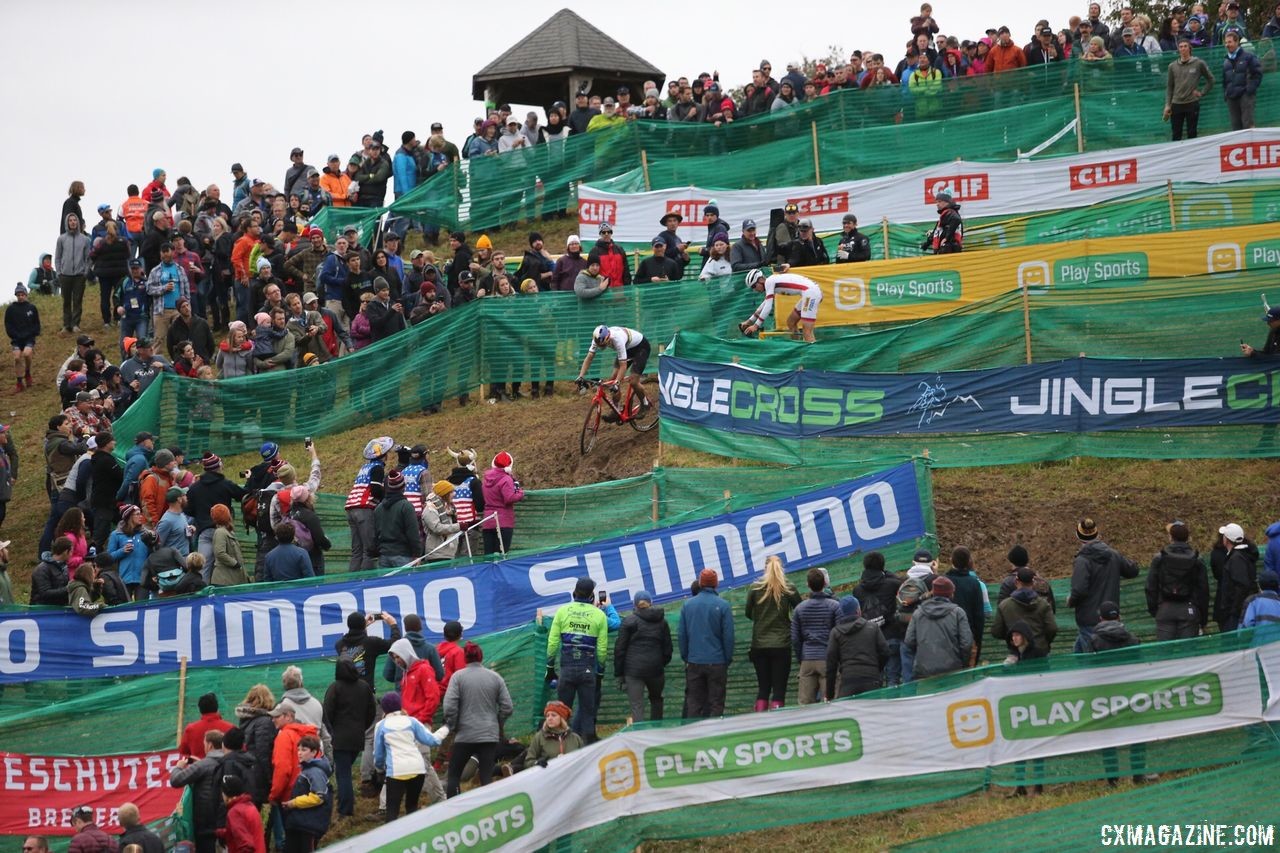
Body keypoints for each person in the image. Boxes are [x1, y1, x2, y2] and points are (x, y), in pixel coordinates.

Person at [442, 641, 514, 797]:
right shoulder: (495, 677)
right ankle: (487, 811)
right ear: (481, 657)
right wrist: (497, 722)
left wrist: (454, 725)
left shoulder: (458, 677)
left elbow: (449, 707)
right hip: (489, 734)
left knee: (454, 775)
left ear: (465, 658)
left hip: (465, 734)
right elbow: (507, 707)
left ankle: (454, 810)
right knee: (486, 776)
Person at [546, 577, 609, 739]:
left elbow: (552, 643)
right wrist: (600, 672)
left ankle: (563, 753)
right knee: (588, 714)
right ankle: (587, 753)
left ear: (574, 592)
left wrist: (550, 668)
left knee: (562, 714)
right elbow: (602, 649)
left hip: (566, 668)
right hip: (587, 669)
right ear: (591, 597)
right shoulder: (599, 615)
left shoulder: (562, 611)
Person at [387, 639, 447, 805]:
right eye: (394, 658)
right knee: (416, 764)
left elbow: (433, 697)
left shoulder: (423, 670)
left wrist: (421, 719)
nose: (396, 661)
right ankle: (426, 799)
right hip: (410, 724)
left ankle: (441, 800)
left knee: (423, 764)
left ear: (406, 653)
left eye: (397, 656)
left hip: (418, 724)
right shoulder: (407, 673)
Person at [373, 691, 448, 822]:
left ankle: (392, 839)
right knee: (412, 807)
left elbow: (378, 755)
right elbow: (433, 740)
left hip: (396, 772)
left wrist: (380, 768)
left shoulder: (381, 726)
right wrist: (447, 727)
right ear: (400, 705)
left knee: (392, 811)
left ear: (384, 709)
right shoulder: (412, 721)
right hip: (417, 769)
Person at [1068, 517, 1139, 652]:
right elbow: (1133, 570)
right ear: (1097, 534)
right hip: (1111, 616)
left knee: (1089, 663)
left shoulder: (1082, 560)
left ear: (1078, 536)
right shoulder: (1113, 554)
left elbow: (1079, 589)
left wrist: (1071, 600)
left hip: (1088, 619)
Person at [321, 654, 375, 819]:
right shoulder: (364, 687)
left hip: (340, 738)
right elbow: (371, 712)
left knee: (343, 774)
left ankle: (345, 809)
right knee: (346, 771)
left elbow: (327, 713)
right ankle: (346, 801)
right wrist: (361, 727)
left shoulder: (335, 688)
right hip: (357, 737)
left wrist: (331, 732)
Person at [679, 568, 735, 718]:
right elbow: (728, 637)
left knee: (694, 703)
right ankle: (714, 736)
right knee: (716, 703)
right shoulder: (723, 605)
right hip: (717, 662)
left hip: (694, 661)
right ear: (716, 584)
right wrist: (726, 659)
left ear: (700, 583)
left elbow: (682, 636)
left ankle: (694, 736)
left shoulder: (687, 605)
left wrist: (687, 657)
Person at [614, 589, 673, 721]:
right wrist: (660, 663)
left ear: (634, 605)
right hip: (656, 669)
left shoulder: (629, 621)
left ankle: (639, 735)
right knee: (657, 700)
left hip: (633, 670)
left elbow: (620, 649)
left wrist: (619, 674)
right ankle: (657, 731)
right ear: (651, 603)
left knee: (637, 705)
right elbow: (668, 649)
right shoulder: (662, 622)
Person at [1146, 520, 1210, 640]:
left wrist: (1155, 610)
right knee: (1188, 653)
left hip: (1164, 608)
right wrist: (1203, 617)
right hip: (1189, 609)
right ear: (1188, 538)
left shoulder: (1159, 558)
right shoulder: (1197, 560)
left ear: (1170, 537)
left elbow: (1150, 587)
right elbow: (1203, 590)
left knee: (1165, 654)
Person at [850, 551, 906, 686]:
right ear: (882, 565)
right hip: (892, 635)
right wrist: (886, 573)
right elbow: (901, 583)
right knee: (893, 678)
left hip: (871, 640)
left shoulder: (857, 591)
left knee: (875, 681)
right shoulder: (892, 584)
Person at [168, 730, 227, 853]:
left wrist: (179, 767)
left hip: (204, 821)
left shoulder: (203, 765)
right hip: (225, 818)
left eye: (204, 744)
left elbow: (176, 780)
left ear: (210, 745)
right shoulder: (229, 762)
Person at [904, 576, 973, 679]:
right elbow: (966, 643)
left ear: (933, 592)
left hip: (924, 671)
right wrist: (963, 663)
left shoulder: (918, 613)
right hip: (953, 671)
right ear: (950, 593)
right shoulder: (958, 613)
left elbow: (909, 641)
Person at [792, 568, 841, 704]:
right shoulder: (835, 606)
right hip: (827, 659)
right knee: (831, 703)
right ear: (825, 583)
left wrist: (801, 658)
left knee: (805, 705)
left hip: (807, 659)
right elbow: (839, 634)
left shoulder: (799, 609)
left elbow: (795, 639)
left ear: (808, 585)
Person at [825, 595, 889, 698]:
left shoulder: (836, 633)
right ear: (858, 610)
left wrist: (829, 694)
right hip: (871, 680)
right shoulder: (872, 627)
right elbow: (885, 652)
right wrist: (876, 668)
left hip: (848, 682)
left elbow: (831, 664)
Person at [345, 435, 392, 571]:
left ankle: (352, 581)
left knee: (357, 550)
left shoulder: (364, 467)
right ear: (384, 455)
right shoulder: (377, 468)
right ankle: (367, 581)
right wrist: (386, 499)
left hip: (351, 507)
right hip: (364, 508)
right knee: (369, 550)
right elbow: (376, 489)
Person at [740, 269, 823, 343]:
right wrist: (749, 321)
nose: (754, 290)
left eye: (754, 286)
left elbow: (768, 307)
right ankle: (798, 348)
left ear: (761, 280)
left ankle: (813, 357)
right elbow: (763, 306)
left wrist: (756, 325)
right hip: (810, 292)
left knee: (807, 332)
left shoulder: (769, 282)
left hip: (811, 293)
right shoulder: (771, 282)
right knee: (791, 322)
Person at [281, 735, 332, 853]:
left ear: (314, 752)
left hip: (309, 826)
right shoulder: (306, 770)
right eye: (298, 750)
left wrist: (293, 803)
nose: (299, 753)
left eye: (304, 750)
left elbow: (319, 796)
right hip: (299, 823)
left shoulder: (315, 772)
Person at [991, 567, 1059, 656]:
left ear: (1016, 582)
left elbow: (997, 631)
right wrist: (1043, 641)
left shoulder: (1004, 605)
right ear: (1033, 583)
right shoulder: (1043, 604)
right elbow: (1052, 628)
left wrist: (1012, 638)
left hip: (1017, 651)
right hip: (1040, 650)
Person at [1164, 36, 1214, 140]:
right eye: (1181, 47)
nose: (1183, 49)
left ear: (1190, 48)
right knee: (1176, 134)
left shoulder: (1199, 63)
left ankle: (1193, 156)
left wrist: (1202, 93)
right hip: (1176, 104)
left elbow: (1211, 80)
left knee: (1192, 133)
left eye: (1185, 46)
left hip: (1192, 103)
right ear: (1178, 49)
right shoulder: (1172, 66)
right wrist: (1167, 105)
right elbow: (1169, 87)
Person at [1214, 522, 1259, 631]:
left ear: (1226, 539)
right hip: (1239, 611)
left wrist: (1233, 610)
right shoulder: (1241, 555)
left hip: (1235, 614)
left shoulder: (1236, 558)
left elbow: (1242, 585)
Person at [373, 470, 422, 567]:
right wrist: (417, 553)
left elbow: (375, 533)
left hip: (383, 555)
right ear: (403, 487)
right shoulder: (406, 506)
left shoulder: (378, 508)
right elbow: (413, 532)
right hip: (403, 555)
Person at [946, 547, 987, 663]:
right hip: (969, 636)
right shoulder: (974, 583)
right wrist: (977, 641)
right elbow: (979, 615)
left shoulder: (944, 581)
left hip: (947, 636)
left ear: (951, 560)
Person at [480, 451, 524, 555]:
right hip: (503, 522)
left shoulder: (486, 478)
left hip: (488, 521)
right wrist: (521, 493)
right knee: (501, 555)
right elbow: (509, 498)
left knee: (489, 556)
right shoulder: (506, 479)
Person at [57, 213, 93, 333]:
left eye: (74, 220)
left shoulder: (85, 240)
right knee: (66, 301)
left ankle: (75, 324)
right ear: (67, 223)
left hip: (79, 275)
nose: (72, 222)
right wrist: (59, 272)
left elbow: (89, 258)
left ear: (78, 223)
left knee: (77, 300)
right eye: (70, 220)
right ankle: (66, 325)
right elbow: (58, 257)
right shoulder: (61, 239)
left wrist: (85, 272)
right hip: (65, 275)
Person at [1221, 31, 1262, 131]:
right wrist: (1226, 93)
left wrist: (1249, 90)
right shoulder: (1225, 61)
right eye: (1226, 42)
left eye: (1230, 42)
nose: (1227, 45)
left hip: (1245, 96)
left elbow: (1257, 74)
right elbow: (1224, 80)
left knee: (1248, 126)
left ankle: (1251, 146)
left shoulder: (1249, 57)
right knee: (1236, 128)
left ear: (1237, 42)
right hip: (1231, 97)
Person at [523, 700, 583, 767]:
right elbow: (528, 761)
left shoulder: (575, 738)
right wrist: (537, 763)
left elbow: (584, 759)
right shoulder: (539, 737)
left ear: (562, 718)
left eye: (553, 715)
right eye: (547, 716)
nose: (549, 718)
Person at [6, 282, 40, 392]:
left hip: (29, 338)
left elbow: (36, 323)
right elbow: (8, 324)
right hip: (16, 338)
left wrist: (34, 333)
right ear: (16, 295)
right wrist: (13, 334)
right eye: (18, 295)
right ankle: (19, 381)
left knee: (26, 354)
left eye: (22, 294)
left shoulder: (31, 307)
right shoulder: (11, 309)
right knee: (16, 357)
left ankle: (27, 372)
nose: (20, 297)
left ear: (26, 295)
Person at [217, 776, 265, 853]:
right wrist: (217, 832)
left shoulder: (235, 812)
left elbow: (246, 845)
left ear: (228, 795)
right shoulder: (250, 806)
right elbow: (239, 831)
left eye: (223, 793)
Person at [180, 692, 235, 758]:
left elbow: (183, 752)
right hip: (225, 767)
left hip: (198, 766)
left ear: (200, 709)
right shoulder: (231, 728)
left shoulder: (190, 729)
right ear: (217, 707)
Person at [921, 190, 963, 254]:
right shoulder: (944, 215)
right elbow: (936, 232)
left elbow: (956, 219)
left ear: (947, 202)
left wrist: (946, 238)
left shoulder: (949, 212)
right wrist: (927, 244)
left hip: (949, 248)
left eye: (939, 202)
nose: (937, 204)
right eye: (936, 202)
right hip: (944, 249)